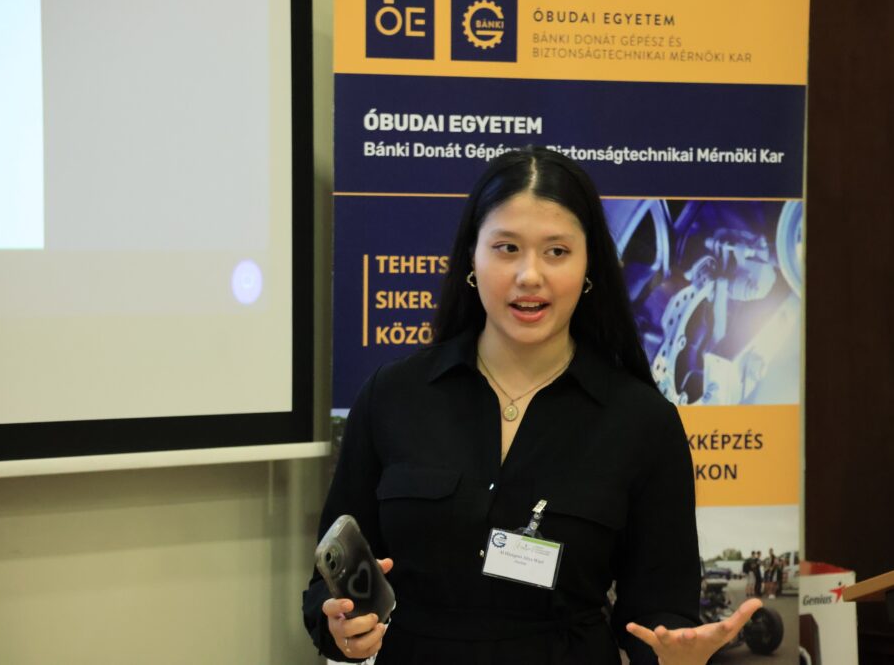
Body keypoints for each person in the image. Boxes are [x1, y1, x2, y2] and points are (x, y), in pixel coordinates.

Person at [302, 147, 760, 664]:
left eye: (557, 251)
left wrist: (675, 655)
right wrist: (338, 625)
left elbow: (659, 612)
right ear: (472, 258)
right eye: (507, 248)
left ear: (589, 266)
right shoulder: (393, 394)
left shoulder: (642, 421)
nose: (529, 275)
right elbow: (326, 585)